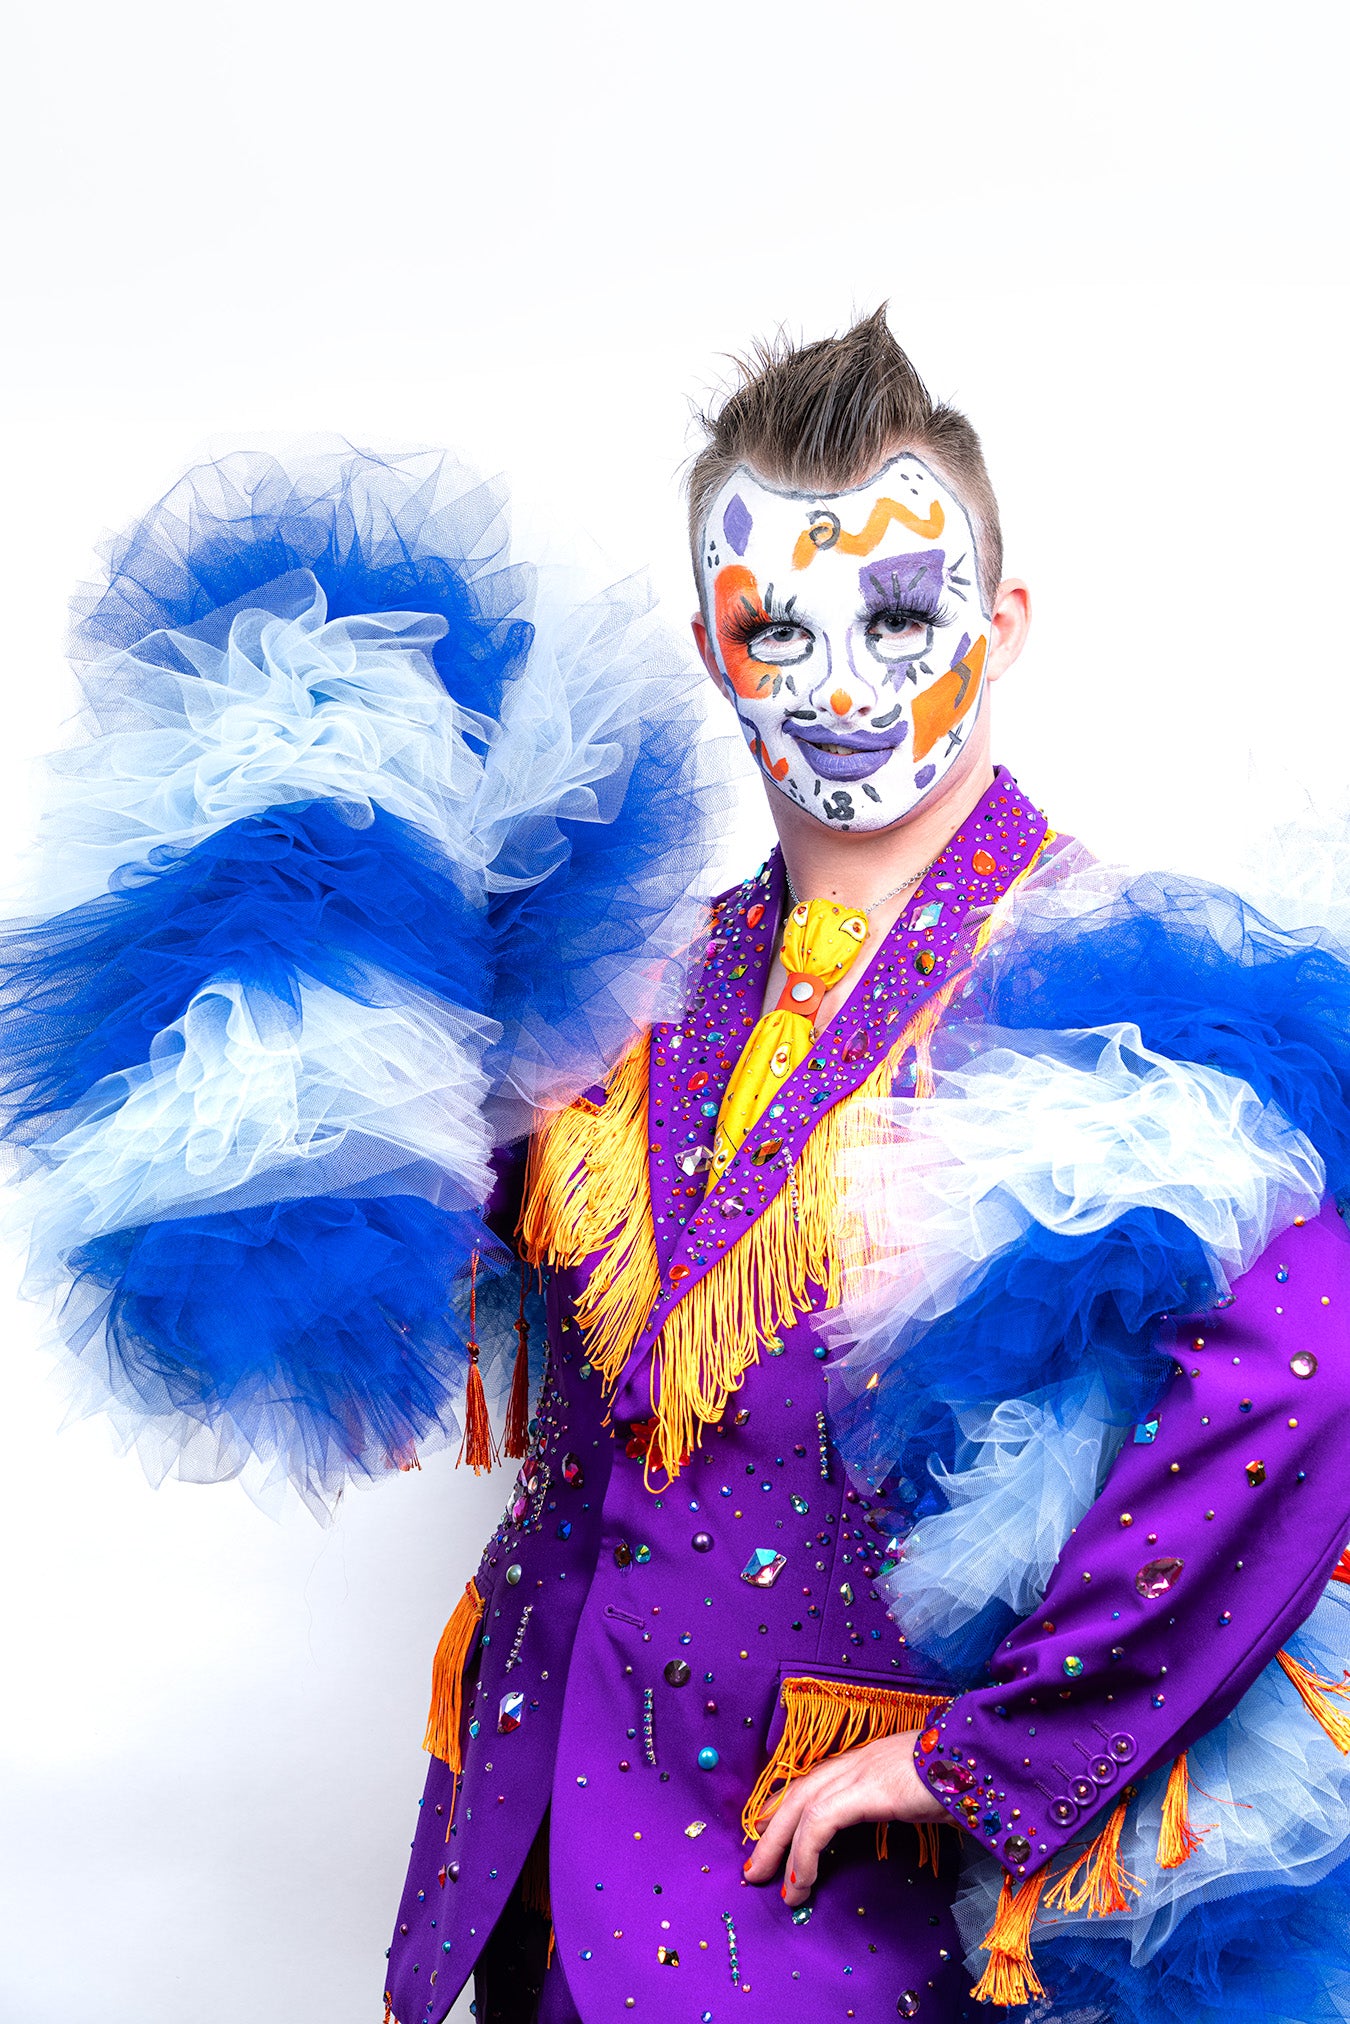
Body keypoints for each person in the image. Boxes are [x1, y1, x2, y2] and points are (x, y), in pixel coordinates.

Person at [5, 314, 1350, 2024]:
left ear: (1002, 625)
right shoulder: (620, 987)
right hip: (533, 1867)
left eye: (900, 620)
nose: (839, 689)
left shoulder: (1114, 997)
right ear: (716, 648)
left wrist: (998, 1757)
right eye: (778, 628)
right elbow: (422, 1293)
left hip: (842, 1919)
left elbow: (1303, 1382)